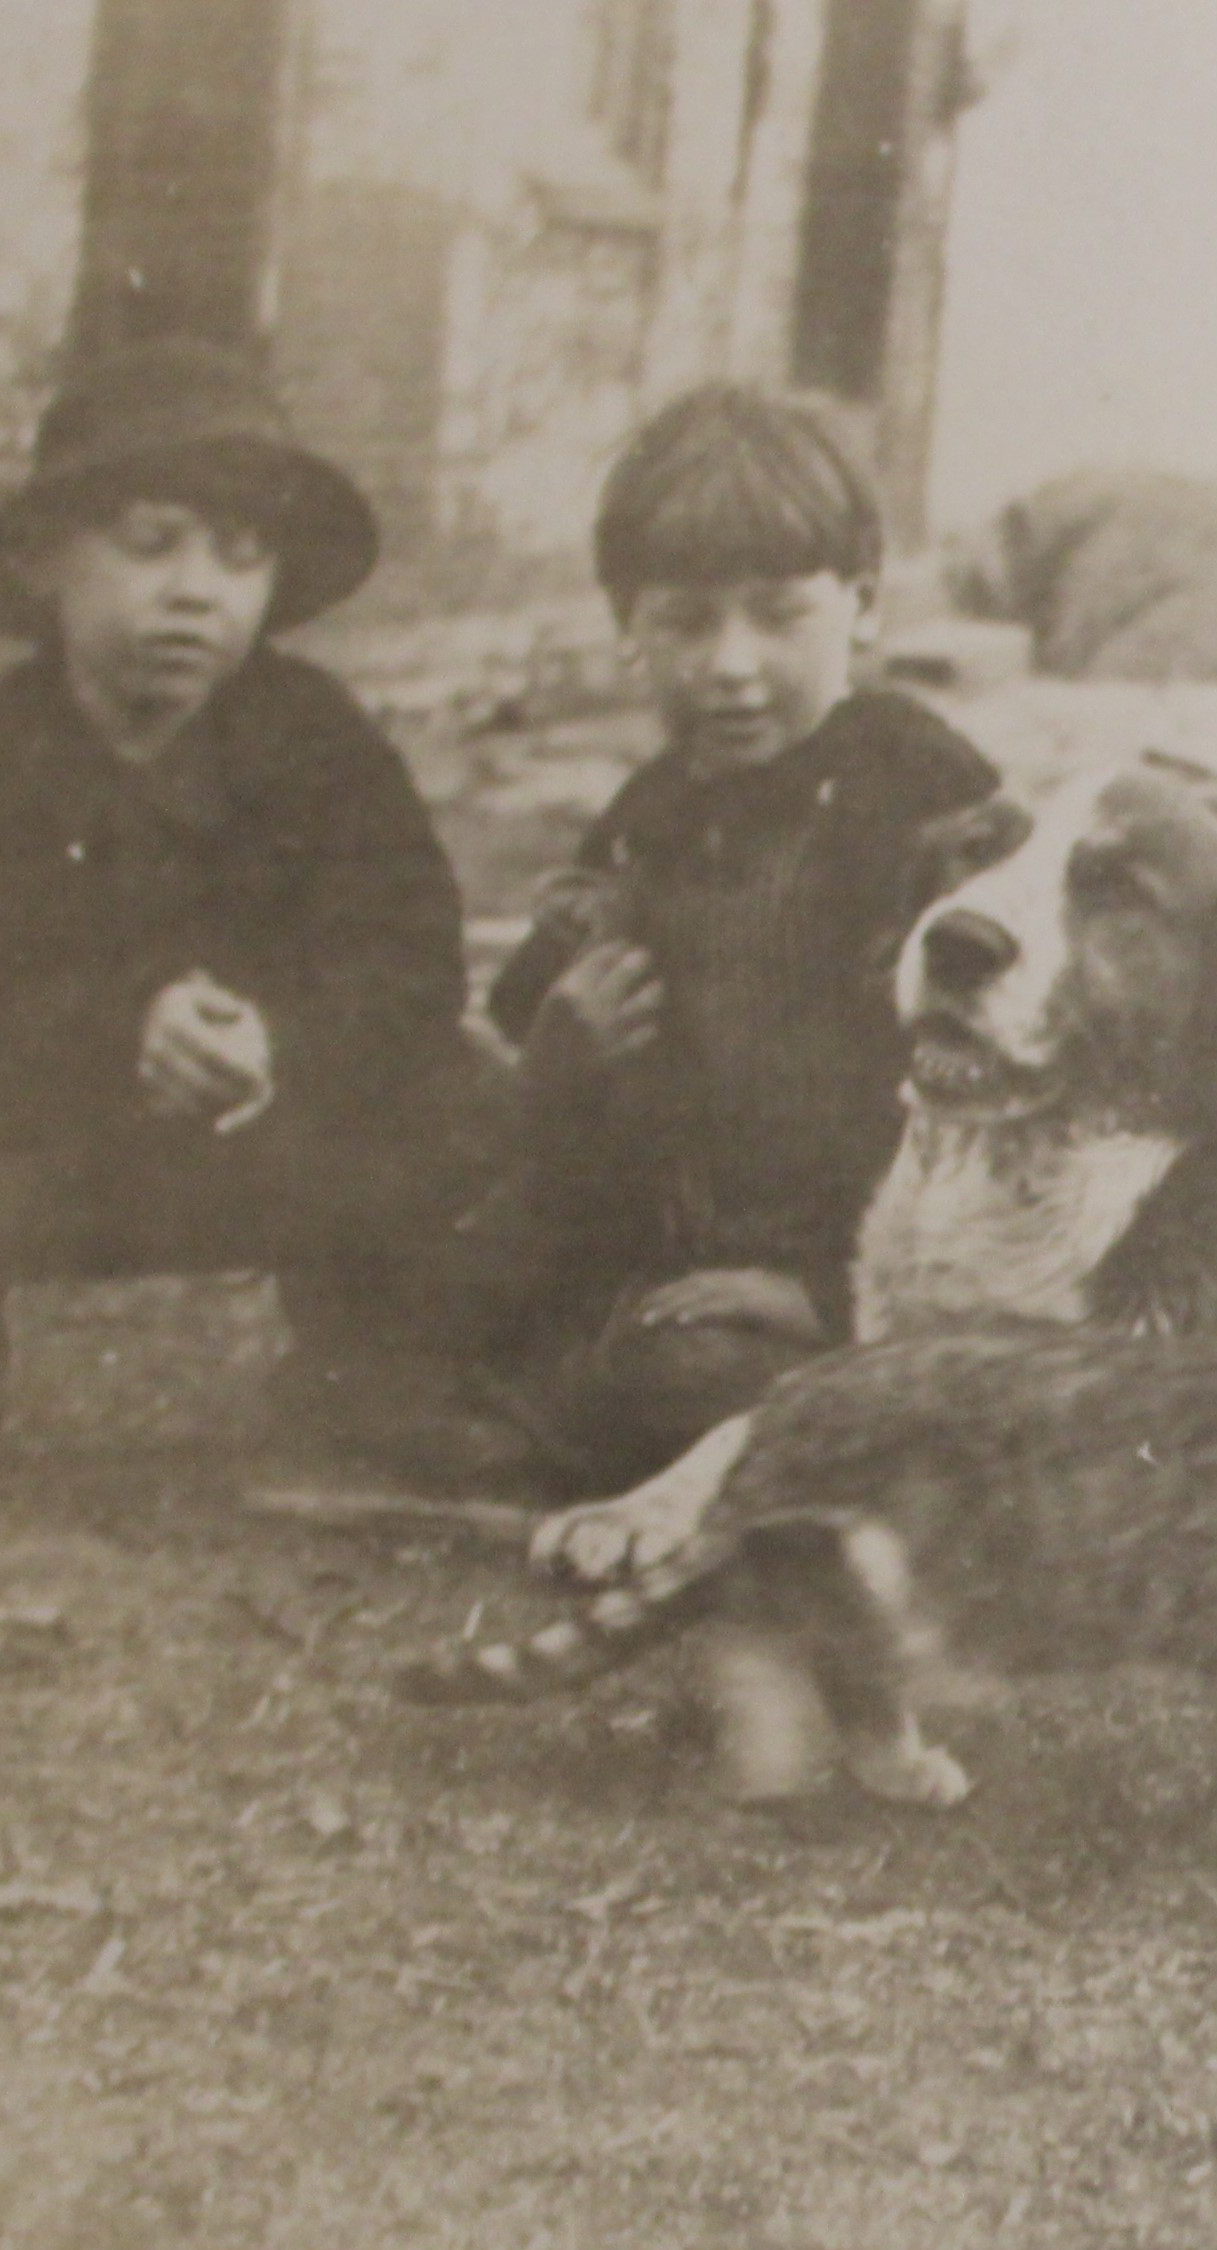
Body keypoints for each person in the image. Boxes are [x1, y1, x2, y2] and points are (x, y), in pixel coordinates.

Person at [0, 337, 506, 1491]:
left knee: (464, 1099)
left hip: (277, 1130)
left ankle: (365, 1366)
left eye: (241, 558)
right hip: (74, 1144)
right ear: (46, 561)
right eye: (150, 545)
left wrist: (278, 1036)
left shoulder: (316, 737)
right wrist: (124, 1030)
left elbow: (408, 953)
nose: (196, 588)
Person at [461, 383, 1009, 1491]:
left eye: (776, 613)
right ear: (627, 625)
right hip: (681, 1248)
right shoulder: (652, 807)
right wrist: (568, 1041)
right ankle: (573, 1397)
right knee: (399, 1280)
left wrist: (823, 1284)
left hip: (866, 1259)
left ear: (860, 604)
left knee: (681, 1381)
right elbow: (524, 1020)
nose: (729, 665)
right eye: (684, 620)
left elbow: (992, 1078)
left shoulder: (913, 787)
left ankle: (798, 1397)